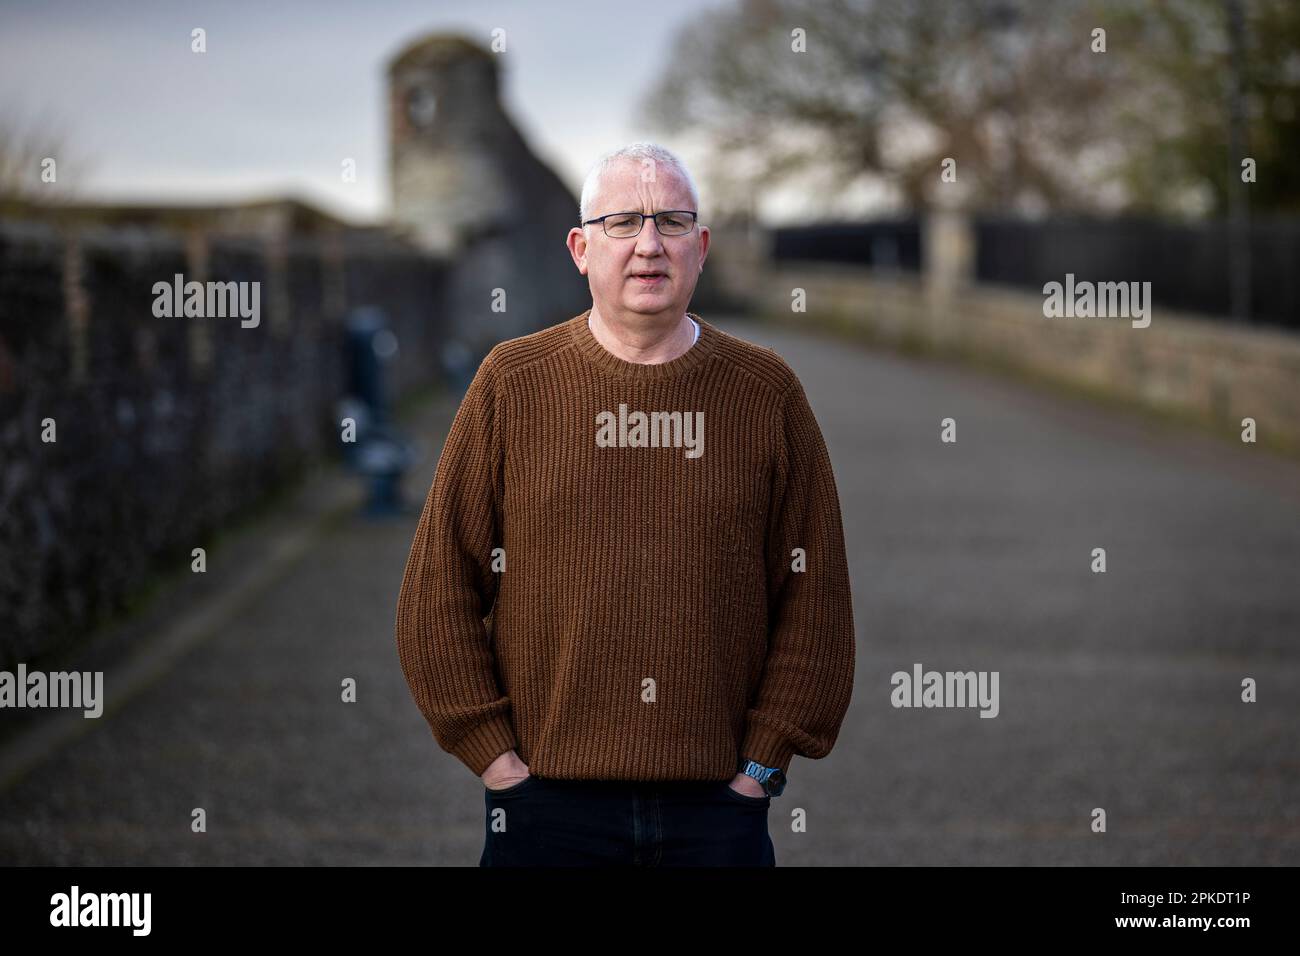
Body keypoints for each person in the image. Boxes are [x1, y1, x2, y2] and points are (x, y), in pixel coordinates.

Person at [394, 141, 855, 866]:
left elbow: (815, 598)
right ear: (581, 248)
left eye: (672, 223)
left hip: (717, 815)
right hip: (545, 809)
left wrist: (760, 770)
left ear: (700, 248)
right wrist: (496, 762)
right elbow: (437, 591)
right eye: (623, 223)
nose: (649, 245)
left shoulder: (766, 392)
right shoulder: (512, 384)